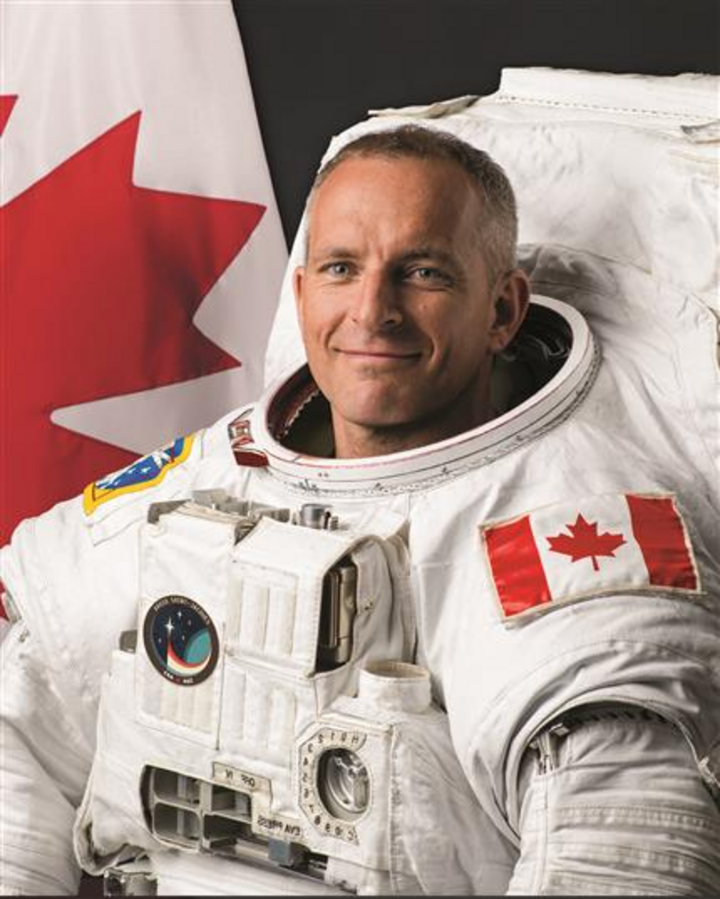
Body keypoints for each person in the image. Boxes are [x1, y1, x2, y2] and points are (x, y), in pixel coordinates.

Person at [2, 125, 719, 896]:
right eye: (342, 268)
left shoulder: (573, 532)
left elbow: (617, 853)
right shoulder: (218, 473)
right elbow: (27, 691)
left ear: (503, 311)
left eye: (423, 272)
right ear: (302, 293)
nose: (373, 310)